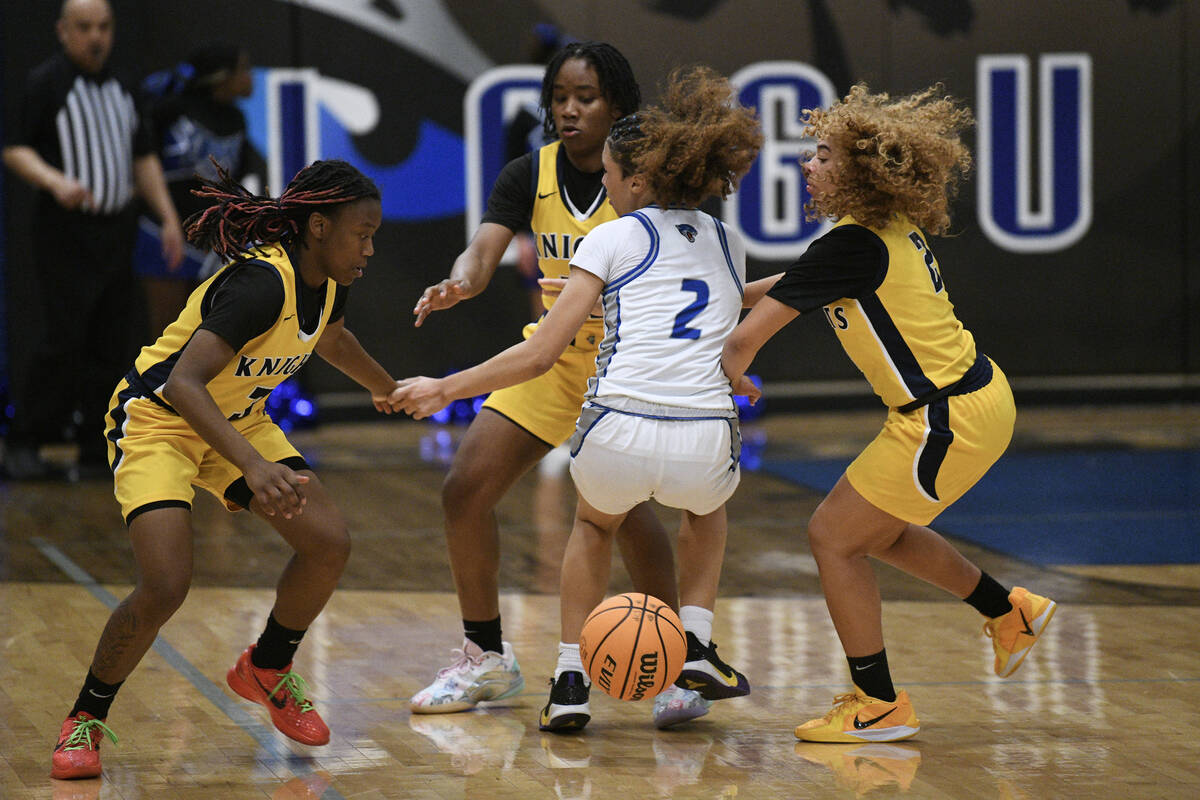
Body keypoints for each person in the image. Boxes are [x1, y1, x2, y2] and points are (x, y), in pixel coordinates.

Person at [395, 65, 764, 732]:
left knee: (627, 519)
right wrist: (461, 281)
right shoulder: (530, 175)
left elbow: (718, 297)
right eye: (558, 98)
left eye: (584, 98)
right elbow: (482, 253)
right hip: (566, 368)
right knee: (465, 489)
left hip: (627, 375)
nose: (568, 109)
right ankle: (486, 657)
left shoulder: (639, 201)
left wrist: (445, 387)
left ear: (618, 112)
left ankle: (660, 666)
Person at [721, 83, 1057, 743]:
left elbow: (742, 343)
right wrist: (711, 298)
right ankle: (1008, 610)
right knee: (872, 533)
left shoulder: (850, 246)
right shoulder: (865, 237)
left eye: (821, 155)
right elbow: (784, 288)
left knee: (833, 537)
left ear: (860, 172)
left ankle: (878, 704)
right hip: (968, 402)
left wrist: (732, 372)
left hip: (944, 417)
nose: (806, 165)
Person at [50, 159, 400, 779]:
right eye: (361, 234)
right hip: (159, 418)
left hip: (236, 418)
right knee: (166, 583)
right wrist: (253, 466)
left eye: (374, 235)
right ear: (318, 226)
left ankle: (267, 666)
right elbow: (184, 383)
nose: (369, 248)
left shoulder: (328, 279)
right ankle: (84, 718)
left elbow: (332, 338)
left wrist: (390, 391)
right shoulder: (262, 284)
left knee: (327, 543)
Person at [1, 0, 184, 480]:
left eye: (103, 27)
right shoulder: (47, 83)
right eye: (84, 28)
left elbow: (142, 157)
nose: (96, 37)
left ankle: (94, 442)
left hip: (116, 228)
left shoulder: (125, 86)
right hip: (66, 231)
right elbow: (15, 148)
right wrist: (55, 181)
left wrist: (167, 216)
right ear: (63, 31)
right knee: (63, 337)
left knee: (112, 340)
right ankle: (27, 440)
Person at [136, 40, 260, 338]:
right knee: (166, 331)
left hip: (212, 238)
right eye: (243, 69)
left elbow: (237, 180)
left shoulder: (237, 119)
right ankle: (154, 385)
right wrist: (167, 222)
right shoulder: (171, 111)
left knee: (211, 327)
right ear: (221, 75)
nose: (250, 77)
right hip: (163, 230)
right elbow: (143, 163)